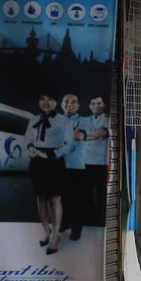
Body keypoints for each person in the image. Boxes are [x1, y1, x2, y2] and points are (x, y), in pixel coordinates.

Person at [23, 90, 73, 254]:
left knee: (55, 200)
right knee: (41, 198)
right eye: (42, 99)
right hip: (37, 162)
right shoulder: (34, 119)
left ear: (56, 102)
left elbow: (69, 144)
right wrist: (30, 147)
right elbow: (27, 139)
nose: (45, 102)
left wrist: (51, 154)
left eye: (50, 99)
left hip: (54, 162)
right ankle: (46, 231)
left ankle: (55, 236)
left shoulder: (63, 120)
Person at [80, 97, 109, 229]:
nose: (95, 106)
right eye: (93, 103)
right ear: (89, 106)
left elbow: (102, 132)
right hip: (86, 162)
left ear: (104, 105)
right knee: (86, 193)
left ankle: (100, 220)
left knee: (101, 193)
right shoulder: (85, 120)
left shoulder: (108, 119)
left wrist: (85, 135)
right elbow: (76, 134)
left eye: (99, 103)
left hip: (102, 163)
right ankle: (88, 218)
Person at [59, 94, 86, 240]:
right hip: (59, 165)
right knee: (61, 197)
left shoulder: (83, 121)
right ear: (61, 105)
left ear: (78, 105)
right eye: (66, 102)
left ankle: (77, 228)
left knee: (75, 199)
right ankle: (64, 223)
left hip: (76, 165)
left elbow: (79, 136)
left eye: (73, 102)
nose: (69, 105)